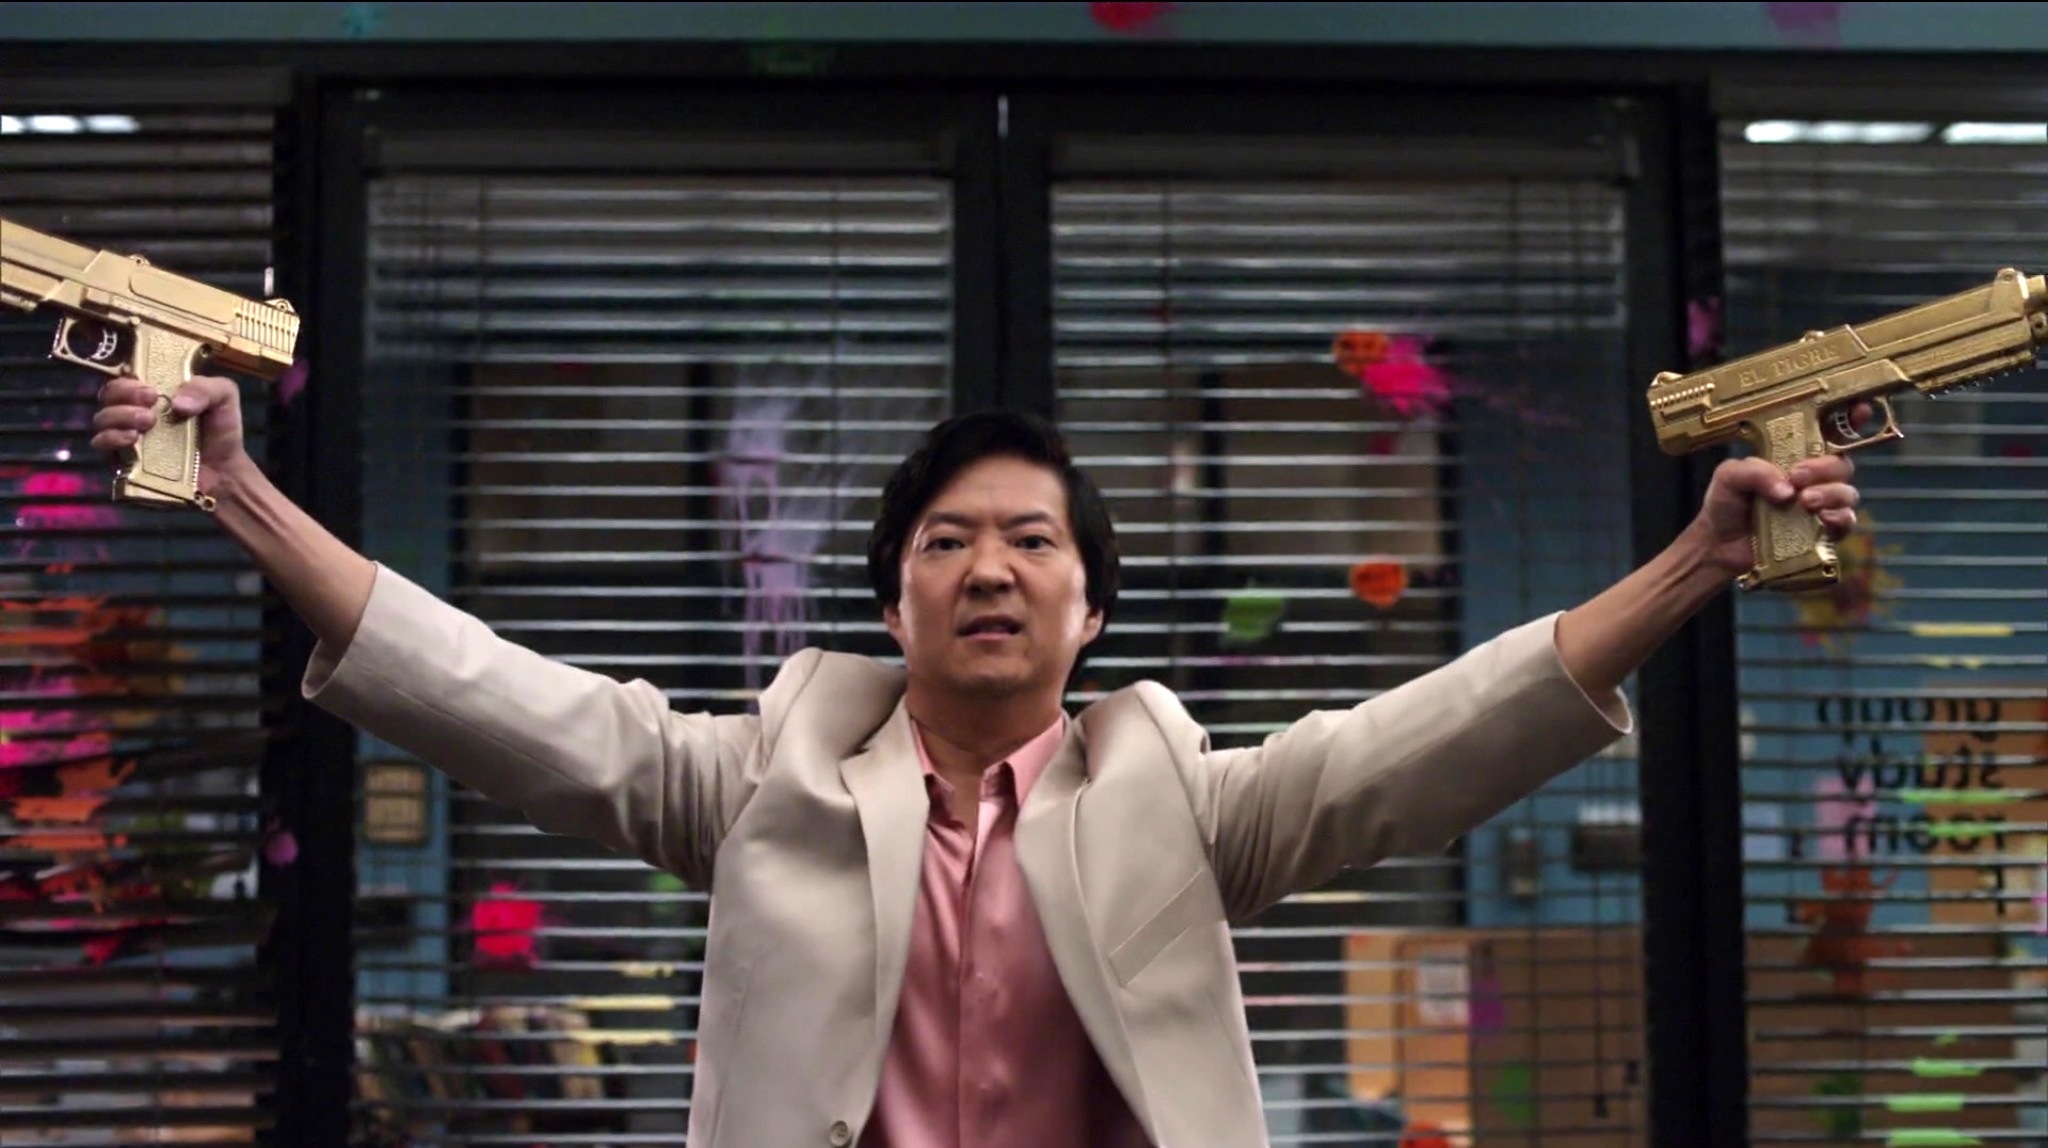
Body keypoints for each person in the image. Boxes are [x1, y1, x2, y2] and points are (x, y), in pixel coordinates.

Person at [93, 372, 1859, 1148]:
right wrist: (237, 490)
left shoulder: (1177, 795)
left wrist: (1699, 561)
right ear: (894, 598)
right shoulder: (771, 778)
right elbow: (493, 695)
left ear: (1092, 606)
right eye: (946, 542)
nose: (989, 569)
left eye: (1031, 541)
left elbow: (1433, 738)